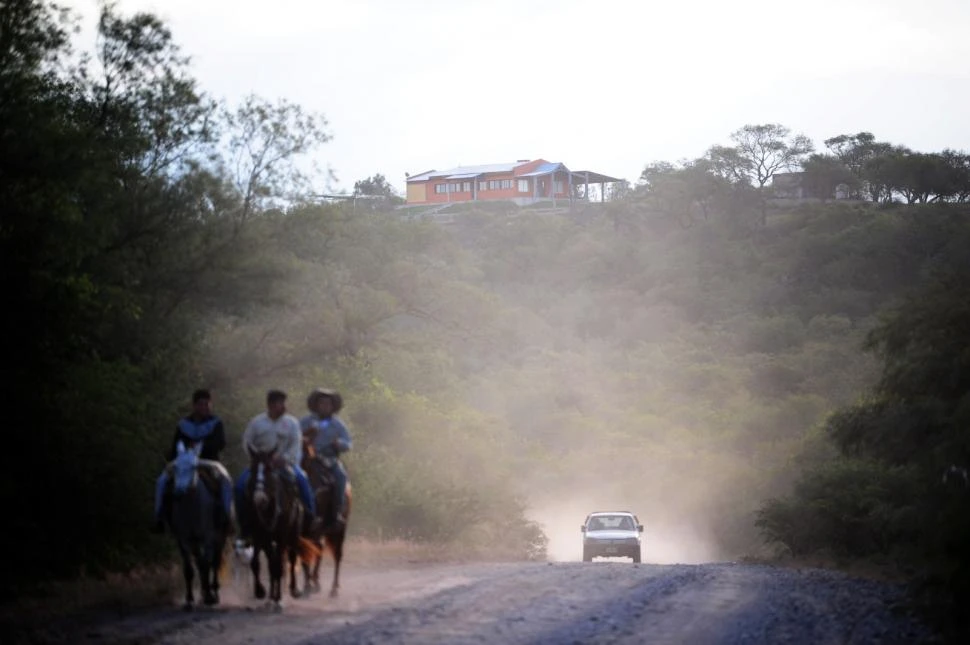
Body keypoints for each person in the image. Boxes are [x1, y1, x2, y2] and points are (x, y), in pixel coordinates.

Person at [234, 389, 319, 541]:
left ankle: (310, 520)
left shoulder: (291, 423)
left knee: (303, 481)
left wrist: (284, 458)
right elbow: (247, 441)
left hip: (285, 464)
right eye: (279, 403)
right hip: (260, 464)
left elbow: (295, 445)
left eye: (283, 403)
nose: (283, 406)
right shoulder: (257, 422)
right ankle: (244, 527)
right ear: (270, 405)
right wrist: (256, 458)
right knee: (240, 486)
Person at [153, 389, 233, 533]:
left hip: (208, 461)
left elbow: (220, 444)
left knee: (225, 481)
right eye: (201, 404)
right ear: (194, 406)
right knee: (162, 481)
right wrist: (174, 459)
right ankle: (159, 517)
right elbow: (176, 445)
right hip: (184, 462)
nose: (205, 407)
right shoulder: (183, 425)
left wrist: (199, 448)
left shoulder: (216, 423)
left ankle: (226, 518)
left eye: (207, 404)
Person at [300, 388, 352, 531]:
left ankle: (337, 513)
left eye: (328, 404)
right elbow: (294, 437)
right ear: (316, 405)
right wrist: (305, 438)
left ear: (333, 406)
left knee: (341, 476)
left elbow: (348, 443)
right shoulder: (306, 421)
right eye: (321, 403)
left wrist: (338, 444)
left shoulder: (338, 424)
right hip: (308, 458)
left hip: (330, 460)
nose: (324, 406)